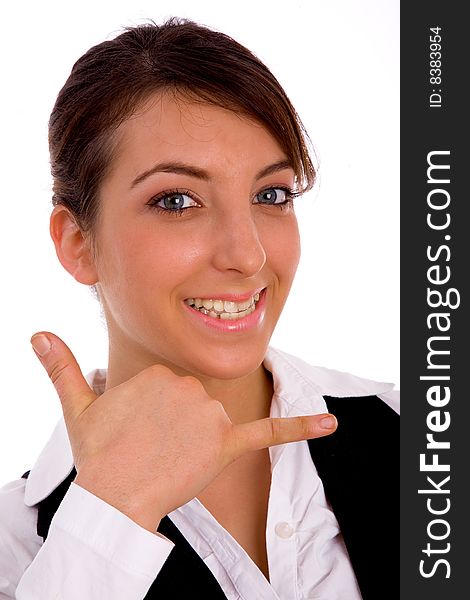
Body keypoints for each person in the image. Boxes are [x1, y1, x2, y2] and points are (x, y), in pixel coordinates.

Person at [0, 18, 399, 600]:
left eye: (272, 195)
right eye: (177, 200)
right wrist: (109, 515)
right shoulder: (18, 546)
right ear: (76, 242)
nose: (247, 254)